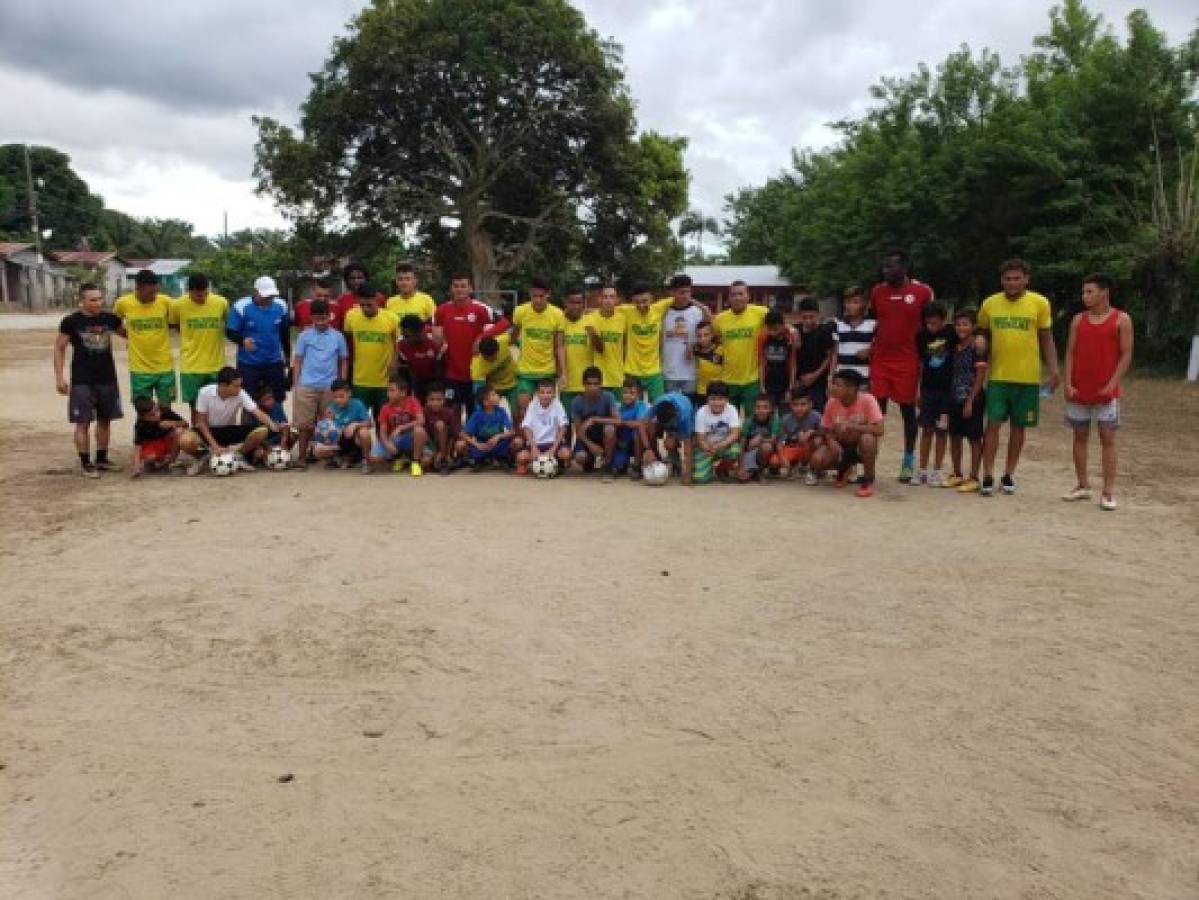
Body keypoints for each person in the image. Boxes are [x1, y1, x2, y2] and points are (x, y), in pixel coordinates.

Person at [977, 258, 1060, 496]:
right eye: (1007, 279)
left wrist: (1054, 371)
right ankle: (988, 475)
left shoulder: (1039, 303)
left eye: (1017, 278)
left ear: (1026, 279)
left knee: (1019, 428)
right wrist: (981, 337)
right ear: (1001, 280)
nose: (1012, 283)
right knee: (992, 425)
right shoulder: (990, 303)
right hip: (998, 377)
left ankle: (1008, 474)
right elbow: (981, 328)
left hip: (1028, 378)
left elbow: (1047, 338)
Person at [1062, 272, 1133, 511]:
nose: (1085, 296)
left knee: (1107, 439)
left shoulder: (1121, 319)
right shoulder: (1077, 320)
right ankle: (1082, 485)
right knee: (1079, 436)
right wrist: (1068, 383)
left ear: (1104, 292)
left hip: (1106, 391)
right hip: (1079, 389)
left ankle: (1108, 492)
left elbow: (1126, 355)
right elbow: (1070, 352)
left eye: (1090, 291)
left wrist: (1113, 383)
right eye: (1083, 292)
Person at [868, 249, 933, 481]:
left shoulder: (922, 292)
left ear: (905, 268)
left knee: (908, 411)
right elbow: (875, 322)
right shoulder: (877, 292)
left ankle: (907, 460)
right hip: (881, 359)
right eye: (883, 267)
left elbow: (931, 326)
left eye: (890, 267)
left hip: (908, 359)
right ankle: (869, 462)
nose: (885, 271)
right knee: (876, 413)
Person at [54, 283, 126, 477]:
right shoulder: (71, 322)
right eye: (92, 299)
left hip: (107, 378)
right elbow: (59, 348)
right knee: (82, 422)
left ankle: (102, 459)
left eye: (100, 298)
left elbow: (130, 336)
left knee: (105, 420)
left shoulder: (110, 319)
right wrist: (59, 378)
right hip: (82, 380)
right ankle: (86, 462)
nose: (97, 303)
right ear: (82, 301)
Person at [181, 366, 283, 474]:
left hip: (229, 430)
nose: (239, 388)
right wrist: (214, 446)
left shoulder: (240, 393)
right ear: (223, 385)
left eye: (240, 385)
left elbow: (257, 412)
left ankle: (238, 456)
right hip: (209, 430)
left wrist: (273, 426)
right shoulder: (204, 393)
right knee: (184, 440)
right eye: (236, 386)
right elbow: (201, 422)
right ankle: (203, 457)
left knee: (262, 431)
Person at [432, 273, 510, 413]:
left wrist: (482, 337)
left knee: (474, 411)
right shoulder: (442, 310)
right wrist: (435, 334)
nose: (459, 289)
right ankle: (455, 436)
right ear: (451, 288)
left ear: (470, 289)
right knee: (451, 409)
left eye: (463, 286)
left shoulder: (480, 308)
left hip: (476, 373)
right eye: (456, 286)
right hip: (451, 371)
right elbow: (426, 326)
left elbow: (504, 323)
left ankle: (472, 435)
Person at [290, 299, 349, 469]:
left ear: (329, 316)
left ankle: (330, 457)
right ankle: (302, 456)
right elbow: (298, 360)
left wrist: (341, 383)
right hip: (307, 385)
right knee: (304, 425)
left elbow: (343, 360)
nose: (321, 319)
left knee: (330, 423)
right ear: (311, 317)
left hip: (329, 386)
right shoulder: (304, 335)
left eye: (324, 316)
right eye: (317, 317)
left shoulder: (338, 336)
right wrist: (296, 384)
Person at [809, 369, 885, 498]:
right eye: (834, 384)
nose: (833, 388)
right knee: (818, 460)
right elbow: (823, 428)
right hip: (840, 442)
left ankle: (868, 479)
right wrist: (830, 441)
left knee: (868, 439)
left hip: (859, 445)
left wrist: (852, 426)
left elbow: (879, 430)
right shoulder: (832, 402)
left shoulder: (868, 400)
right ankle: (843, 469)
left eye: (838, 385)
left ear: (851, 389)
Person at [170, 273, 229, 421]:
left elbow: (226, 322)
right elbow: (176, 326)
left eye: (204, 294)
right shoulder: (177, 305)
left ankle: (214, 440)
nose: (201, 298)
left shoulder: (221, 302)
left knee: (215, 407)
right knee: (196, 408)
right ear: (189, 291)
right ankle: (199, 439)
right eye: (197, 296)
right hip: (190, 367)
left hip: (215, 365)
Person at [113, 269, 175, 407]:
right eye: (150, 293)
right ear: (138, 288)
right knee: (143, 411)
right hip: (139, 368)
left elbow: (174, 324)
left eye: (156, 292)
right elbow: (114, 323)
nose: (154, 296)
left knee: (165, 409)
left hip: (164, 367)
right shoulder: (123, 303)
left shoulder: (166, 302)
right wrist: (130, 336)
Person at [226, 275, 290, 404]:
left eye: (271, 296)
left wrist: (288, 355)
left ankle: (276, 423)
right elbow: (230, 331)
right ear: (255, 292)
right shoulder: (241, 306)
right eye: (265, 296)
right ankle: (250, 424)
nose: (269, 299)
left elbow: (284, 332)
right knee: (248, 401)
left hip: (274, 362)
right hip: (248, 364)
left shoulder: (281, 306)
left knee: (277, 399)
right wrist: (242, 341)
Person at [912, 301, 956, 487]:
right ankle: (922, 469)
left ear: (943, 321)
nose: (931, 327)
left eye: (935, 323)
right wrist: (917, 390)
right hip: (928, 390)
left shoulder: (952, 333)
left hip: (946, 392)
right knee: (927, 430)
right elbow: (920, 365)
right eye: (928, 323)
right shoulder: (921, 336)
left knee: (941, 431)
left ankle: (937, 471)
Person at [511, 277, 566, 421]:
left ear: (548, 295)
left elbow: (559, 346)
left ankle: (546, 442)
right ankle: (524, 442)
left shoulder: (557, 314)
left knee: (547, 413)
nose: (538, 300)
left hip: (547, 371)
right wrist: (519, 345)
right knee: (522, 409)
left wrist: (563, 372)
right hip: (526, 370)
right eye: (534, 296)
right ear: (530, 294)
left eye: (541, 296)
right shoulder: (521, 311)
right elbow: (513, 336)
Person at [712, 280, 769, 415]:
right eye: (733, 294)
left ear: (748, 296)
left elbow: (778, 322)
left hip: (752, 379)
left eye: (741, 294)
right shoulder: (720, 319)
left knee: (753, 419)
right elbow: (713, 338)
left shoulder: (761, 312)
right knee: (729, 420)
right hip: (728, 379)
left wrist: (792, 330)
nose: (737, 297)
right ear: (729, 297)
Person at [947, 308, 988, 493]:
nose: (961, 328)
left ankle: (974, 477)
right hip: (954, 396)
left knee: (974, 438)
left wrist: (971, 400)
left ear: (973, 326)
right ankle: (957, 473)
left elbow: (980, 375)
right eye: (958, 324)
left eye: (965, 324)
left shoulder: (977, 347)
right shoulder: (955, 344)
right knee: (954, 436)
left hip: (973, 398)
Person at [343, 284, 399, 417]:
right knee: (357, 421)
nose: (365, 309)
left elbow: (398, 343)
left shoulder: (391, 318)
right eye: (362, 305)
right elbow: (347, 340)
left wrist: (394, 362)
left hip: (384, 381)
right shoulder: (351, 316)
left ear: (376, 300)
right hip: (360, 380)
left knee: (383, 421)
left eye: (369, 305)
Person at [660, 274, 711, 396]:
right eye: (681, 292)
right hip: (668, 372)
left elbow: (709, 328)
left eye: (688, 292)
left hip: (690, 373)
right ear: (672, 292)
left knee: (688, 409)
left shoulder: (697, 312)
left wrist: (693, 346)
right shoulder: (663, 312)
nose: (685, 296)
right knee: (670, 410)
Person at [620, 284, 673, 401]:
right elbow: (601, 310)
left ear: (652, 299)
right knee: (632, 407)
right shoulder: (626, 311)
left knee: (659, 406)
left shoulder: (659, 308)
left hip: (653, 371)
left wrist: (704, 308)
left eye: (645, 301)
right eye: (637, 302)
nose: (641, 305)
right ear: (632, 301)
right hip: (632, 370)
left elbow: (680, 297)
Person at [369, 375, 427, 476]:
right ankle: (398, 458)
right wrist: (387, 444)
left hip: (410, 437)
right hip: (394, 439)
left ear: (403, 392)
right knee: (374, 458)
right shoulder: (385, 408)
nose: (388, 394)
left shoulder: (413, 401)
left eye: (392, 391)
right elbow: (382, 431)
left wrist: (401, 427)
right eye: (388, 390)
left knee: (420, 431)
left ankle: (415, 462)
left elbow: (421, 420)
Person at [569, 366, 619, 478]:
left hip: (603, 436)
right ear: (583, 384)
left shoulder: (608, 397)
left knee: (610, 428)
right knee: (580, 458)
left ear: (601, 384)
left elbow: (617, 420)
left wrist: (594, 419)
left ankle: (607, 465)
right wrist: (591, 445)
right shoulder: (577, 402)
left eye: (596, 384)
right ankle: (590, 460)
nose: (592, 387)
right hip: (586, 438)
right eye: (589, 384)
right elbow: (578, 430)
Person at [317, 378, 373, 473]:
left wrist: (355, 424)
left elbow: (369, 423)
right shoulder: (331, 408)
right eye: (335, 397)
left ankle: (366, 461)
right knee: (317, 450)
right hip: (339, 439)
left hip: (354, 440)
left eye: (341, 396)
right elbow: (325, 429)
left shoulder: (357, 404)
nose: (338, 400)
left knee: (364, 432)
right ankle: (336, 458)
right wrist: (327, 420)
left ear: (349, 393)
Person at [516, 379, 571, 476]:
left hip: (553, 443)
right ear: (537, 394)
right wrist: (533, 448)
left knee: (566, 454)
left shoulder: (557, 405)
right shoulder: (532, 405)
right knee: (521, 457)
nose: (545, 395)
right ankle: (525, 465)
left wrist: (553, 449)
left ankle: (559, 463)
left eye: (549, 392)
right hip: (537, 443)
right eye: (542, 392)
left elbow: (563, 426)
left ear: (554, 394)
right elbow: (526, 427)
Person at [692, 381, 742, 484]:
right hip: (705, 448)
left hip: (724, 446)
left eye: (720, 399)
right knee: (700, 479)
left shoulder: (732, 409)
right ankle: (710, 468)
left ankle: (721, 468)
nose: (717, 403)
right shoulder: (701, 412)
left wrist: (718, 446)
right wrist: (708, 448)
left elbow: (735, 434)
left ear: (727, 399)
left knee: (735, 451)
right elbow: (700, 439)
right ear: (707, 399)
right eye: (713, 399)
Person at [457, 386, 518, 469]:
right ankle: (479, 460)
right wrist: (477, 444)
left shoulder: (501, 411)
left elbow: (512, 431)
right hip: (482, 442)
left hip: (497, 441)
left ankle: (501, 459)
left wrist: (498, 436)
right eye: (493, 395)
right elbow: (463, 434)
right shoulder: (477, 415)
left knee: (510, 442)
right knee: (464, 445)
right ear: (485, 402)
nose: (497, 396)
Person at [794, 297, 837, 411]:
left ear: (818, 314)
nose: (808, 321)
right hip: (799, 381)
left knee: (817, 413)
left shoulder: (825, 331)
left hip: (819, 382)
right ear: (799, 315)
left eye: (811, 317)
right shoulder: (795, 330)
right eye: (804, 317)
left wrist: (814, 375)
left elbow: (830, 356)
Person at [644, 390, 695, 484]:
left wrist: (687, 473)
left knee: (691, 443)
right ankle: (673, 458)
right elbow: (642, 424)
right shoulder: (657, 405)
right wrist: (648, 448)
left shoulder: (684, 415)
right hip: (669, 414)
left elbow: (687, 446)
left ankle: (687, 466)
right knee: (668, 444)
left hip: (686, 409)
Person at [130, 396, 187, 478]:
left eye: (156, 410)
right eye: (151, 415)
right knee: (150, 457)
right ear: (142, 417)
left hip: (168, 440)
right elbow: (137, 445)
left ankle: (172, 461)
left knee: (179, 431)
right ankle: (156, 461)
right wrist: (136, 466)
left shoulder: (165, 410)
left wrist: (172, 423)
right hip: (154, 444)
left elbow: (185, 423)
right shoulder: (140, 424)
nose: (157, 415)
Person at [585, 284, 626, 397]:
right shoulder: (590, 318)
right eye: (605, 297)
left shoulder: (623, 319)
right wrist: (594, 335)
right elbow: (599, 349)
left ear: (617, 300)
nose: (608, 300)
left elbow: (626, 345)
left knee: (618, 413)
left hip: (618, 377)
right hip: (598, 379)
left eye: (612, 297)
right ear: (600, 299)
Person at [393, 313, 444, 402]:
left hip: (435, 381)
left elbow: (441, 367)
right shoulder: (401, 345)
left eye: (407, 336)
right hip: (416, 382)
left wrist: (438, 388)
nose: (405, 339)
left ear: (419, 332)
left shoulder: (434, 342)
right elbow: (403, 372)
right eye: (403, 335)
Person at [777, 390, 822, 483]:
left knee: (818, 440)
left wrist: (812, 432)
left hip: (810, 447)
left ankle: (814, 468)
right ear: (790, 405)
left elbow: (825, 432)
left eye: (803, 404)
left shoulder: (816, 416)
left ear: (810, 405)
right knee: (774, 461)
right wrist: (782, 457)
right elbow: (780, 441)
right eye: (795, 404)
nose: (799, 408)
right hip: (793, 447)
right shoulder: (785, 419)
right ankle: (793, 466)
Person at [560, 290, 593, 413]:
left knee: (587, 423)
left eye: (579, 302)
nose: (575, 306)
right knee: (566, 422)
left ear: (583, 304)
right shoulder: (560, 321)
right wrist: (561, 373)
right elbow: (556, 348)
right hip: (567, 383)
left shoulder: (591, 321)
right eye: (572, 302)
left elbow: (600, 349)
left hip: (587, 384)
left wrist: (594, 335)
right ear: (566, 303)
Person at [834, 286, 875, 383]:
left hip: (863, 379)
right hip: (842, 380)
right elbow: (835, 354)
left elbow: (880, 348)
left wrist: (870, 351)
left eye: (855, 302)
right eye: (848, 302)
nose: (851, 306)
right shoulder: (837, 325)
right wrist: (831, 377)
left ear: (864, 304)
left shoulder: (873, 325)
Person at [470, 333, 519, 414]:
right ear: (483, 355)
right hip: (494, 388)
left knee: (517, 413)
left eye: (495, 356)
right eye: (490, 359)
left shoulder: (503, 341)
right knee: (492, 413)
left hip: (513, 383)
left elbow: (516, 338)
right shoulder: (477, 366)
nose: (494, 360)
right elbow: (479, 393)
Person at [612, 376, 651, 477]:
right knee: (618, 466)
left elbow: (640, 423)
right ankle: (619, 463)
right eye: (625, 392)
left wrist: (623, 422)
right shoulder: (618, 406)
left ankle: (637, 465)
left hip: (637, 442)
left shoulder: (641, 405)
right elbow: (614, 424)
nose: (628, 396)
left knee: (637, 432)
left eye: (632, 393)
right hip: (622, 443)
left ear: (638, 395)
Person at [759, 309, 796, 411]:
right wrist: (762, 387)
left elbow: (793, 365)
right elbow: (762, 363)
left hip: (784, 384)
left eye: (775, 329)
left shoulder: (789, 338)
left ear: (782, 325)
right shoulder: (763, 338)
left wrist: (790, 388)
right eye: (769, 329)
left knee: (784, 414)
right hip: (769, 383)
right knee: (768, 413)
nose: (772, 332)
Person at [421, 382, 461, 474]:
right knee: (425, 462)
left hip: (447, 445)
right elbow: (424, 435)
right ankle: (436, 458)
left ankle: (445, 459)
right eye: (432, 399)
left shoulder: (450, 412)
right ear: (427, 400)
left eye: (439, 399)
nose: (435, 403)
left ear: (444, 400)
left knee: (440, 425)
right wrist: (435, 453)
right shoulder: (423, 412)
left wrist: (446, 453)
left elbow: (454, 435)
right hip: (431, 445)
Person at [738, 394, 779, 482]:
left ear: (771, 409)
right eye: (758, 407)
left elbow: (773, 439)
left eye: (765, 407)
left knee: (767, 447)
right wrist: (741, 466)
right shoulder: (748, 421)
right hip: (749, 452)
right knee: (742, 479)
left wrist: (760, 440)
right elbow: (742, 443)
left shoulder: (774, 420)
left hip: (767, 451)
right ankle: (751, 470)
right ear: (754, 409)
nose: (761, 410)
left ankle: (760, 472)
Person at [255, 385, 294, 460]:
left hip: (277, 438)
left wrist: (283, 444)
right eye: (265, 400)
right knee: (258, 454)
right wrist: (268, 447)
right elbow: (256, 435)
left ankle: (282, 452)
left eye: (271, 398)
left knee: (293, 434)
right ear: (259, 402)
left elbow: (285, 426)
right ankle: (268, 455)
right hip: (263, 442)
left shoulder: (277, 406)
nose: (270, 401)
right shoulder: (256, 412)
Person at [692, 321, 723, 404]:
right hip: (701, 391)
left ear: (712, 335)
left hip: (717, 391)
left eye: (706, 335)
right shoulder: (696, 349)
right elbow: (687, 356)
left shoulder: (720, 348)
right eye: (699, 336)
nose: (702, 339)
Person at [334, 261, 370, 325]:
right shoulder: (341, 300)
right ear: (347, 280)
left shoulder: (378, 298)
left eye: (360, 278)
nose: (356, 281)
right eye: (352, 278)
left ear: (366, 279)